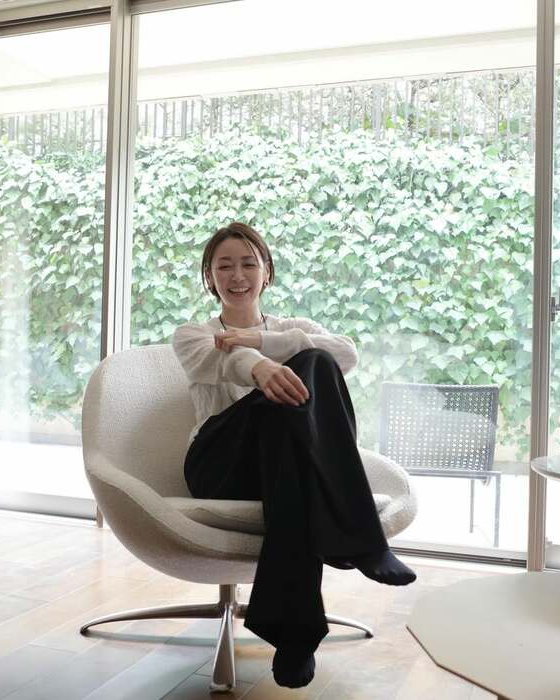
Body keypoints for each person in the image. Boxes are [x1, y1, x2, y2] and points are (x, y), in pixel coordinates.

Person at [172, 222, 416, 689]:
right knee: (298, 385)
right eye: (224, 266)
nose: (237, 275)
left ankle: (296, 635)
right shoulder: (193, 334)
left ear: (267, 271)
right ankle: (362, 539)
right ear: (210, 277)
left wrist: (263, 342)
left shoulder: (292, 328)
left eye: (248, 264)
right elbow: (220, 360)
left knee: (312, 379)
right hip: (218, 465)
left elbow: (345, 355)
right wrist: (259, 367)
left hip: (279, 466)